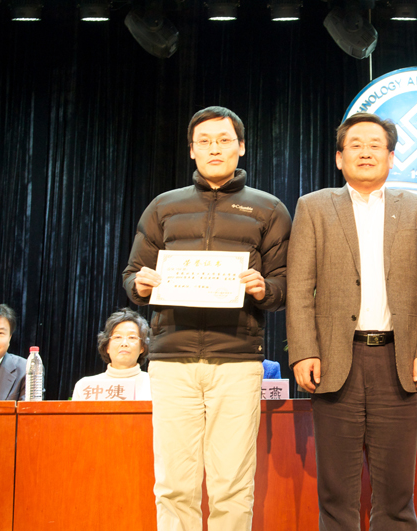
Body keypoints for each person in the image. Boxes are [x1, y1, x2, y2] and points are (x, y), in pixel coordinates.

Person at [122, 106, 292, 531]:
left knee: (232, 485)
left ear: (241, 147)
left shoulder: (269, 209)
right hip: (171, 359)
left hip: (237, 359)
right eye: (204, 141)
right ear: (192, 150)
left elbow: (286, 283)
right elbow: (133, 275)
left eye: (224, 140)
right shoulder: (164, 206)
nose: (215, 148)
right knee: (173, 484)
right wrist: (141, 284)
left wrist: (264, 288)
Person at [287, 112, 417, 530]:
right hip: (335, 361)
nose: (365, 152)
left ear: (391, 158)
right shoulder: (314, 207)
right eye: (355, 145)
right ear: (339, 158)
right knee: (336, 493)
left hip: (398, 362)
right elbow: (299, 289)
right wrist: (303, 351)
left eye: (375, 145)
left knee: (396, 493)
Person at [72, 308, 151, 400]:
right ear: (107, 347)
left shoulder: (154, 384)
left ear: (142, 348)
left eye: (132, 337)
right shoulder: (85, 386)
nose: (124, 343)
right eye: (118, 337)